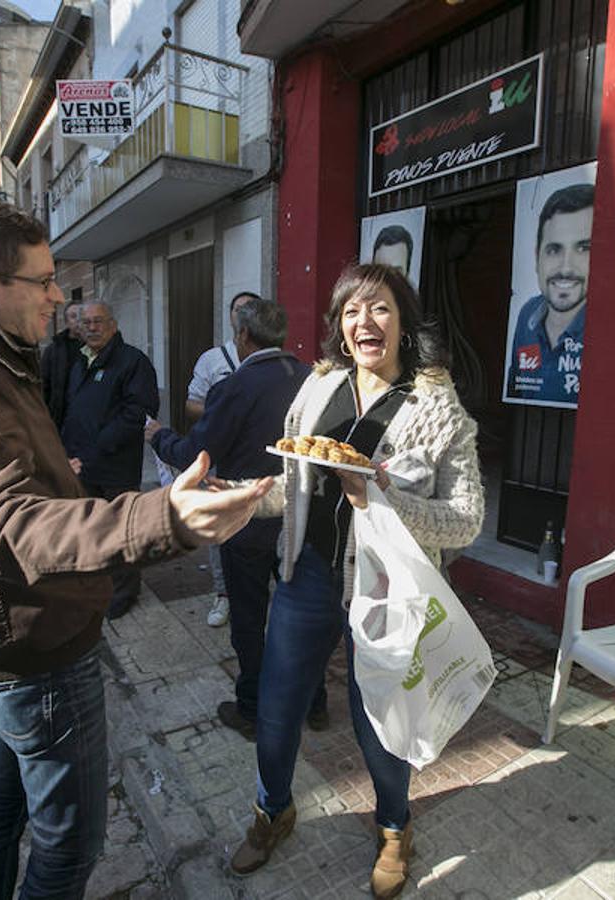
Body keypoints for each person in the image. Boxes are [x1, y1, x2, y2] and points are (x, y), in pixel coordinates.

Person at [0, 197, 270, 899]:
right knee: (67, 850)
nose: (59, 296)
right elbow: (4, 526)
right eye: (41, 281)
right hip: (31, 652)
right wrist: (169, 518)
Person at [229, 263, 484, 899]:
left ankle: (395, 827)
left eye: (379, 309)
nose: (364, 322)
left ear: (402, 321)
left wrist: (383, 499)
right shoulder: (316, 390)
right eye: (351, 312)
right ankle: (272, 811)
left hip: (388, 589)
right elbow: (292, 484)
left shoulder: (437, 408)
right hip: (308, 576)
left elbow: (467, 520)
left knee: (380, 718)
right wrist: (235, 499)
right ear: (339, 329)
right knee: (279, 704)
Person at [146, 298, 328, 740]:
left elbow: (198, 455)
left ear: (244, 337)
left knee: (249, 616)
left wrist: (159, 438)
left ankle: (251, 708)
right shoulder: (310, 379)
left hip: (247, 516)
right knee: (301, 613)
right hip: (302, 515)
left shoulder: (237, 386)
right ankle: (315, 702)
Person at [59, 300, 160, 619]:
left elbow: (138, 413)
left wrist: (94, 449)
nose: (91, 327)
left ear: (113, 325)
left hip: (115, 466)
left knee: (122, 531)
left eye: (98, 321)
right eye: (86, 322)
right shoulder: (81, 360)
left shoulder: (133, 361)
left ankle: (124, 593)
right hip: (82, 465)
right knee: (91, 529)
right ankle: (97, 584)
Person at [185, 290, 260, 627]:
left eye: (250, 309)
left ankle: (256, 592)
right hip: (220, 456)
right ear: (230, 316)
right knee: (220, 524)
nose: (243, 313)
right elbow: (191, 405)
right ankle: (223, 594)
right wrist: (228, 415)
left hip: (259, 458)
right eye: (238, 309)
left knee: (259, 521)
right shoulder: (212, 359)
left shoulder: (270, 358)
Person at [505, 182, 594, 404]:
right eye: (554, 250)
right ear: (538, 258)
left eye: (583, 248)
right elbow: (516, 388)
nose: (565, 268)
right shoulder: (527, 314)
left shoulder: (613, 329)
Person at [41, 301, 83, 428]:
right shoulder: (53, 350)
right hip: (61, 416)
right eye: (73, 316)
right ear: (66, 322)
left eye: (82, 315)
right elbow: (44, 385)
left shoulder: (95, 346)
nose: (78, 320)